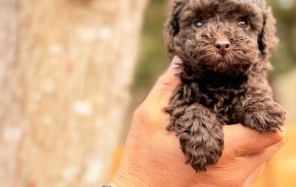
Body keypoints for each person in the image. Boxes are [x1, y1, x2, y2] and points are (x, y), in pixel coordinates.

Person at [108, 57, 285, 187]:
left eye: (242, 23)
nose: (221, 37)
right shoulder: (182, 87)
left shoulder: (251, 86)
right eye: (198, 24)